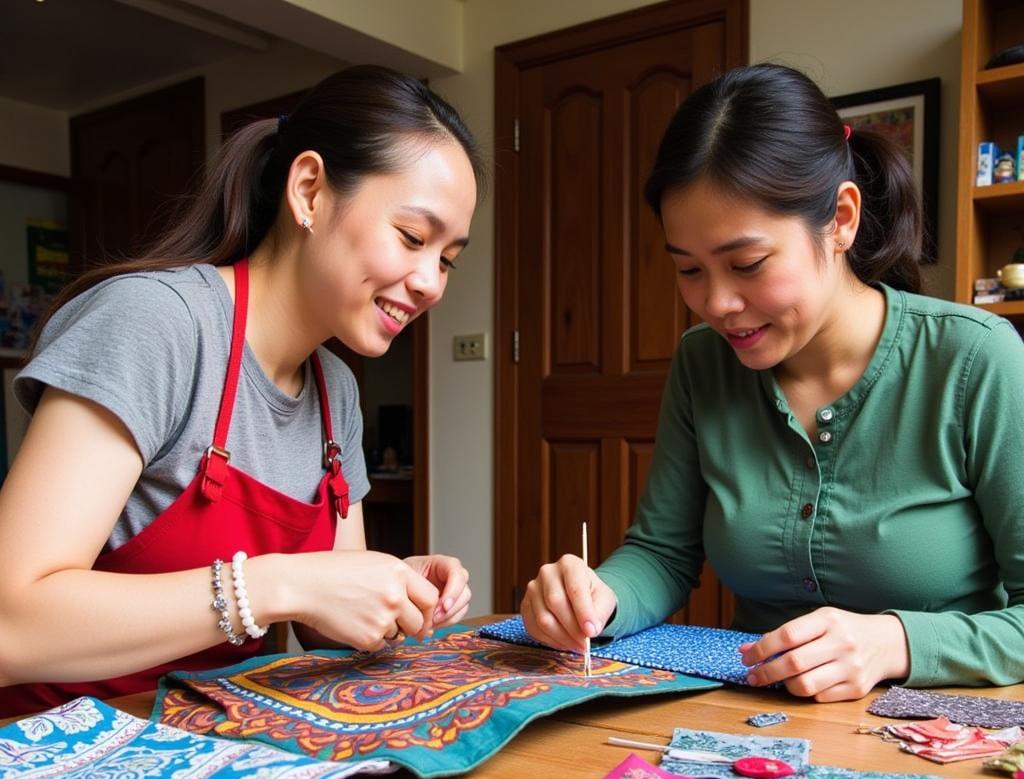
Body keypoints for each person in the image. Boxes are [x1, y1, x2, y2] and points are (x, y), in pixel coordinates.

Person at [521, 63, 1024, 702]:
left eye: (747, 264)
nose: (717, 303)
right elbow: (664, 553)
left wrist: (894, 643)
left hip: (939, 731)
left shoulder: (974, 360)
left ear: (840, 219)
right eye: (689, 270)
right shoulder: (702, 362)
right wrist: (597, 599)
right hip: (746, 720)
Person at [0, 66, 482, 715]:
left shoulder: (334, 389)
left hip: (210, 744)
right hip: (49, 751)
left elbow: (320, 627)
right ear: (309, 191)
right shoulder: (156, 323)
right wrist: (278, 584)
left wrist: (392, 588)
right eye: (413, 238)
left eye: (448, 258)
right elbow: (11, 623)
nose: (431, 283)